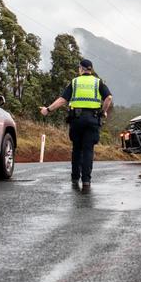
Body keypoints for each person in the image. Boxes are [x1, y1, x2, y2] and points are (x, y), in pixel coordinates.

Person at [39, 59, 112, 190]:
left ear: (81, 69)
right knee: (88, 150)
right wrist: (103, 112)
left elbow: (62, 100)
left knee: (77, 149)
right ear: (91, 69)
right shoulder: (98, 82)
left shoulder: (75, 82)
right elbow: (109, 98)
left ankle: (75, 178)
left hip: (77, 120)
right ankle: (86, 181)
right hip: (93, 120)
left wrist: (47, 110)